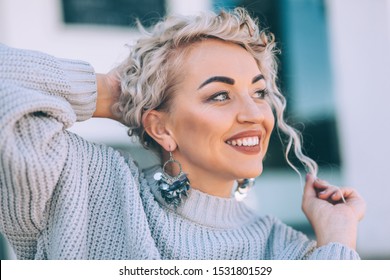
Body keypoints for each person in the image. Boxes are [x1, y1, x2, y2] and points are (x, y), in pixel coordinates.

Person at [0, 8, 365, 260]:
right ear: (160, 127)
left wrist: (337, 240)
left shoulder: (289, 250)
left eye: (259, 92)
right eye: (219, 95)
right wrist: (110, 93)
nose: (255, 114)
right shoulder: (81, 185)